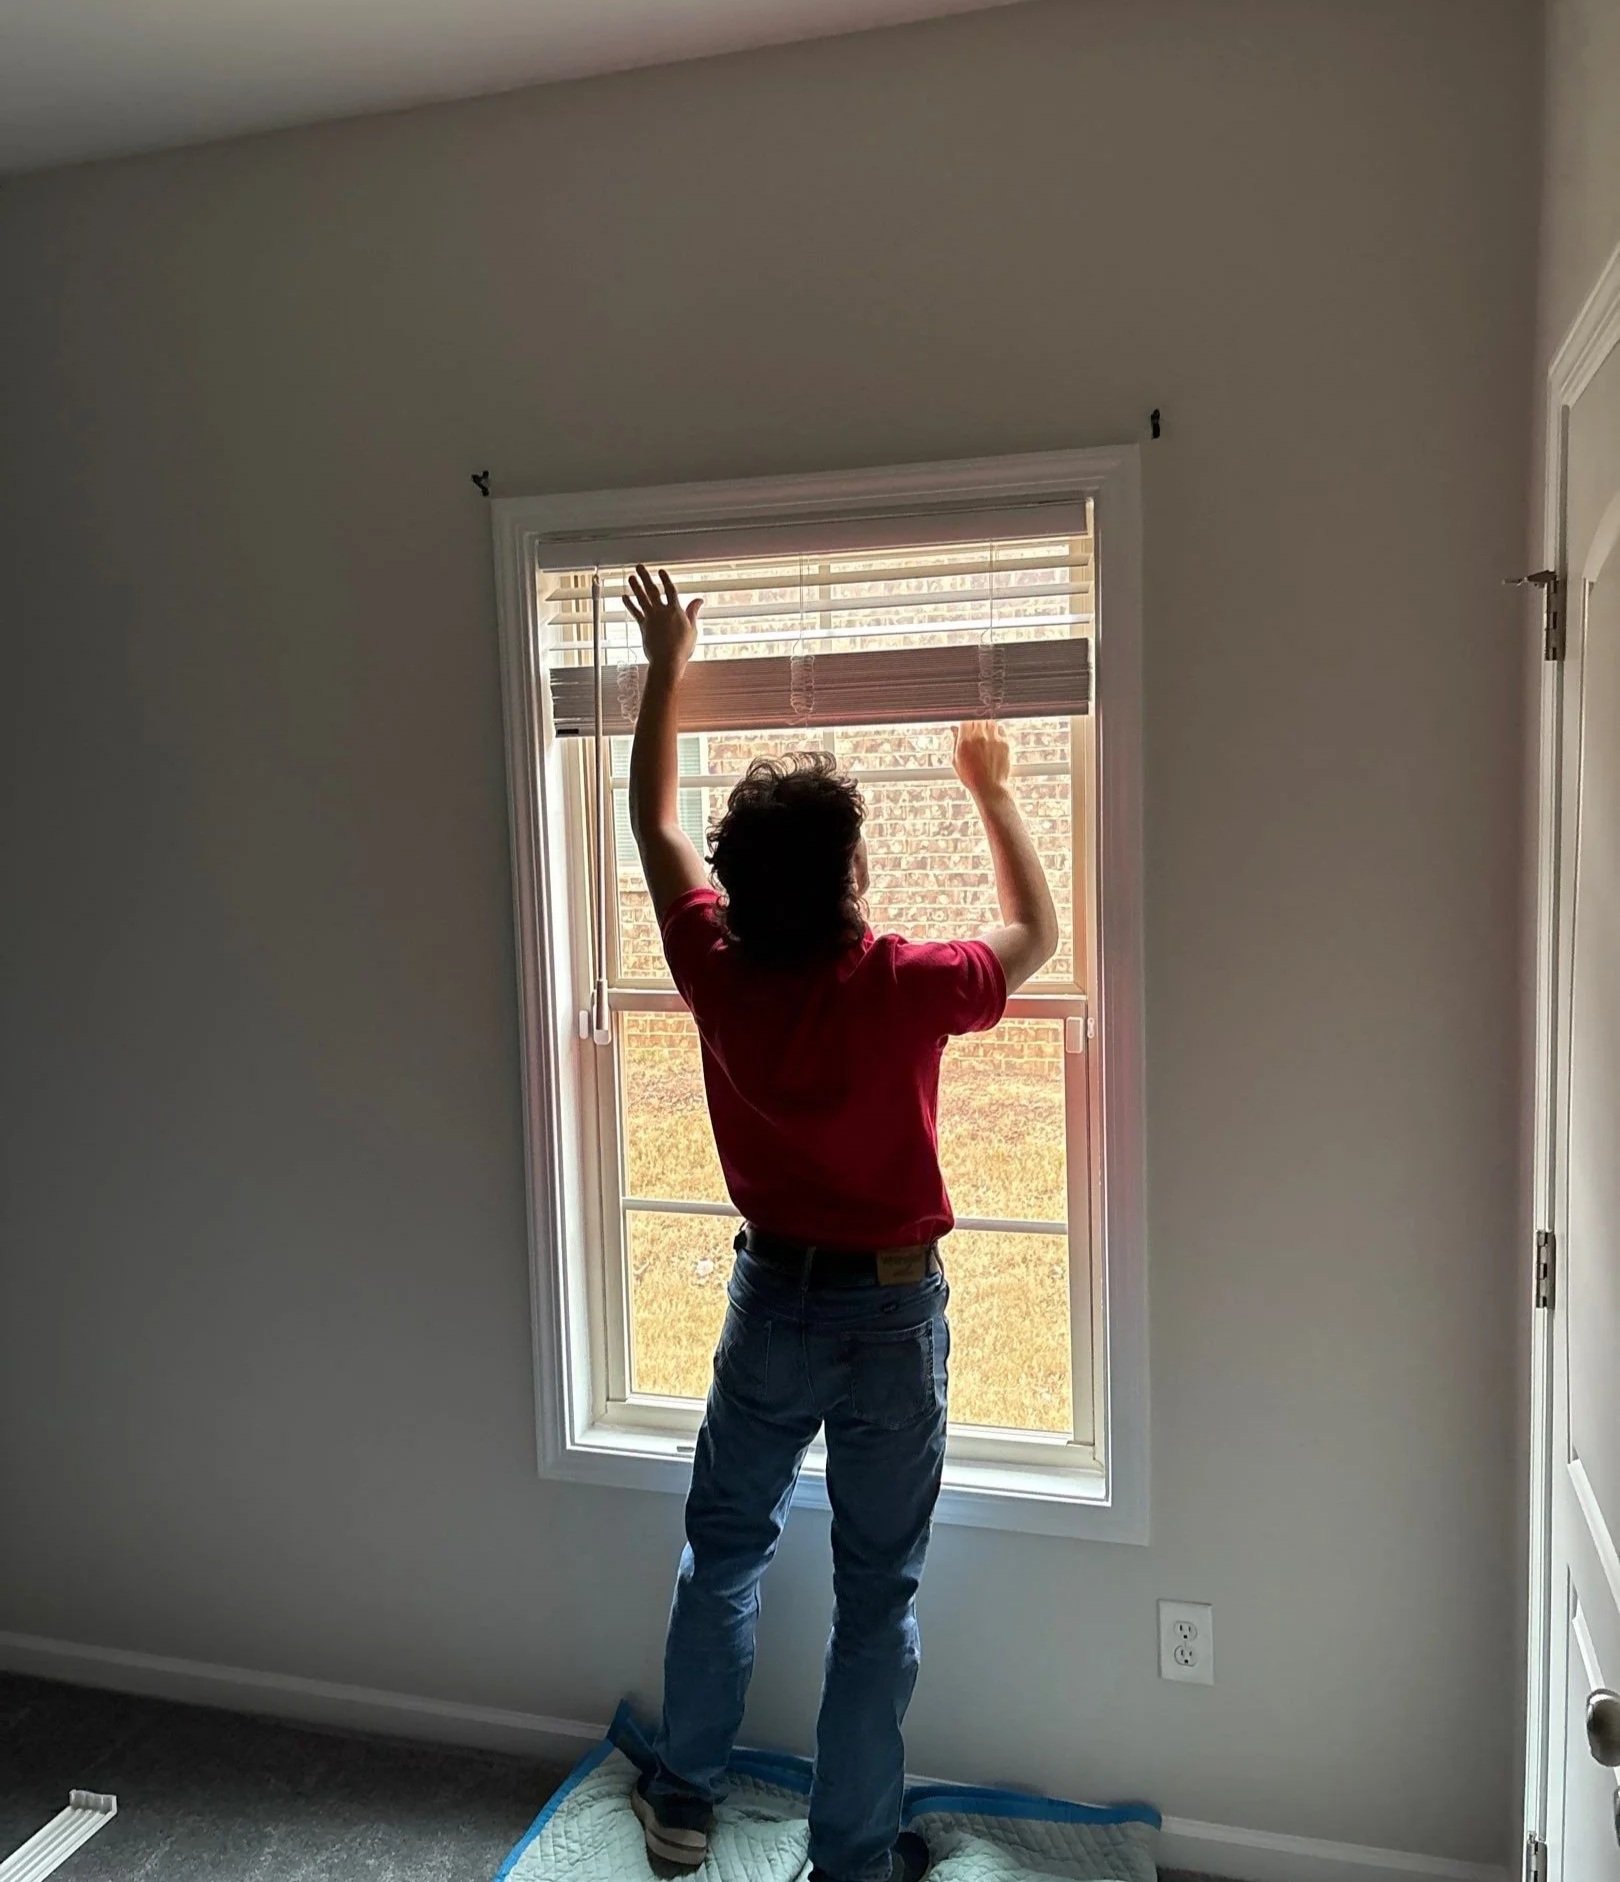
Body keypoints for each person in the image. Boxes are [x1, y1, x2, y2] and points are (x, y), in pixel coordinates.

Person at [621, 565, 1058, 1882]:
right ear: (857, 869)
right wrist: (989, 786)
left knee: (725, 1551)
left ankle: (685, 1800)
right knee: (877, 1599)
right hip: (889, 1311)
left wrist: (663, 667)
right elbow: (1034, 931)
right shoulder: (902, 985)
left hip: (772, 1303)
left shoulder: (715, 966)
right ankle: (855, 1858)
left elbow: (651, 824)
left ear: (746, 887)